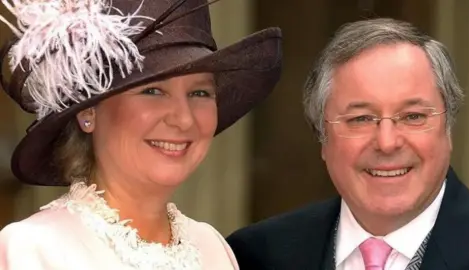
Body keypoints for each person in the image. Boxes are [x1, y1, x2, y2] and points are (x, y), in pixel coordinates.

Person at [0, 0, 282, 268]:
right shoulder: (35, 249)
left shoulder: (210, 245)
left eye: (200, 93)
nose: (184, 119)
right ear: (88, 113)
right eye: (153, 91)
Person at [227, 18, 469, 270]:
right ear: (322, 136)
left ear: (448, 130)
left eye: (413, 116)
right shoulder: (254, 256)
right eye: (361, 119)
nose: (387, 142)